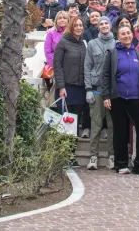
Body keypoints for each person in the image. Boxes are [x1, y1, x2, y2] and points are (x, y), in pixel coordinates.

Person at [100, 24, 139, 175]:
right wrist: (106, 96)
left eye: (128, 33)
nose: (126, 36)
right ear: (118, 36)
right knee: (120, 130)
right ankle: (121, 164)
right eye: (123, 34)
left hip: (135, 97)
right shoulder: (112, 52)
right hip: (118, 97)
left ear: (132, 34)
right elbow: (106, 75)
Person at [55, 16, 89, 167]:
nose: (78, 27)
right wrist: (61, 86)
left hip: (80, 88)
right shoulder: (63, 42)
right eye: (76, 25)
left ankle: (71, 155)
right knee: (66, 123)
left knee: (75, 123)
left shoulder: (83, 44)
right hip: (66, 88)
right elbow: (57, 65)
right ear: (71, 26)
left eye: (81, 25)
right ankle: (63, 155)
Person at [85, 16, 115, 170]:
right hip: (96, 89)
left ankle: (112, 155)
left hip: (112, 91)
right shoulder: (92, 44)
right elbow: (87, 67)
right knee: (96, 125)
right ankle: (93, 157)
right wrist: (88, 89)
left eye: (106, 23)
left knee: (112, 125)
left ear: (110, 26)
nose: (104, 25)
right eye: (101, 24)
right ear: (98, 27)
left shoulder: (116, 44)